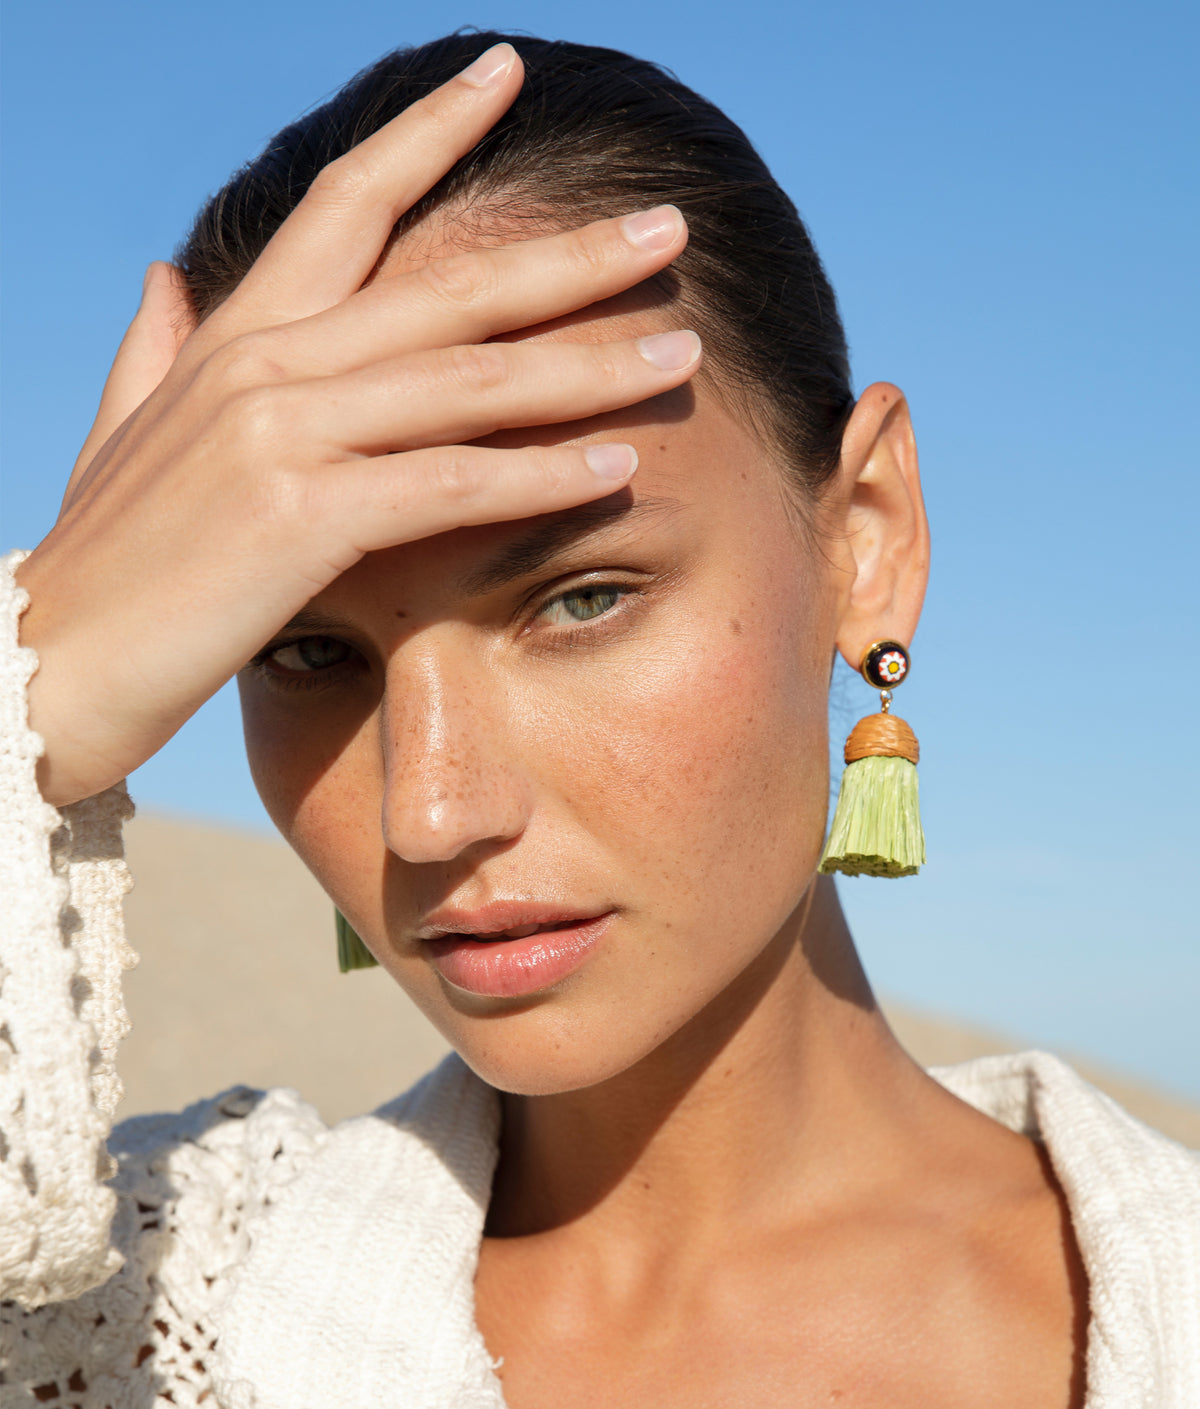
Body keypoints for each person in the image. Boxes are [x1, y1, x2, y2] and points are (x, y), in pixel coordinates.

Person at [1, 31, 1196, 1408]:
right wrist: (44, 675)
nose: (427, 808)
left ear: (867, 536)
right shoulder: (120, 1317)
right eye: (309, 649)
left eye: (579, 599)